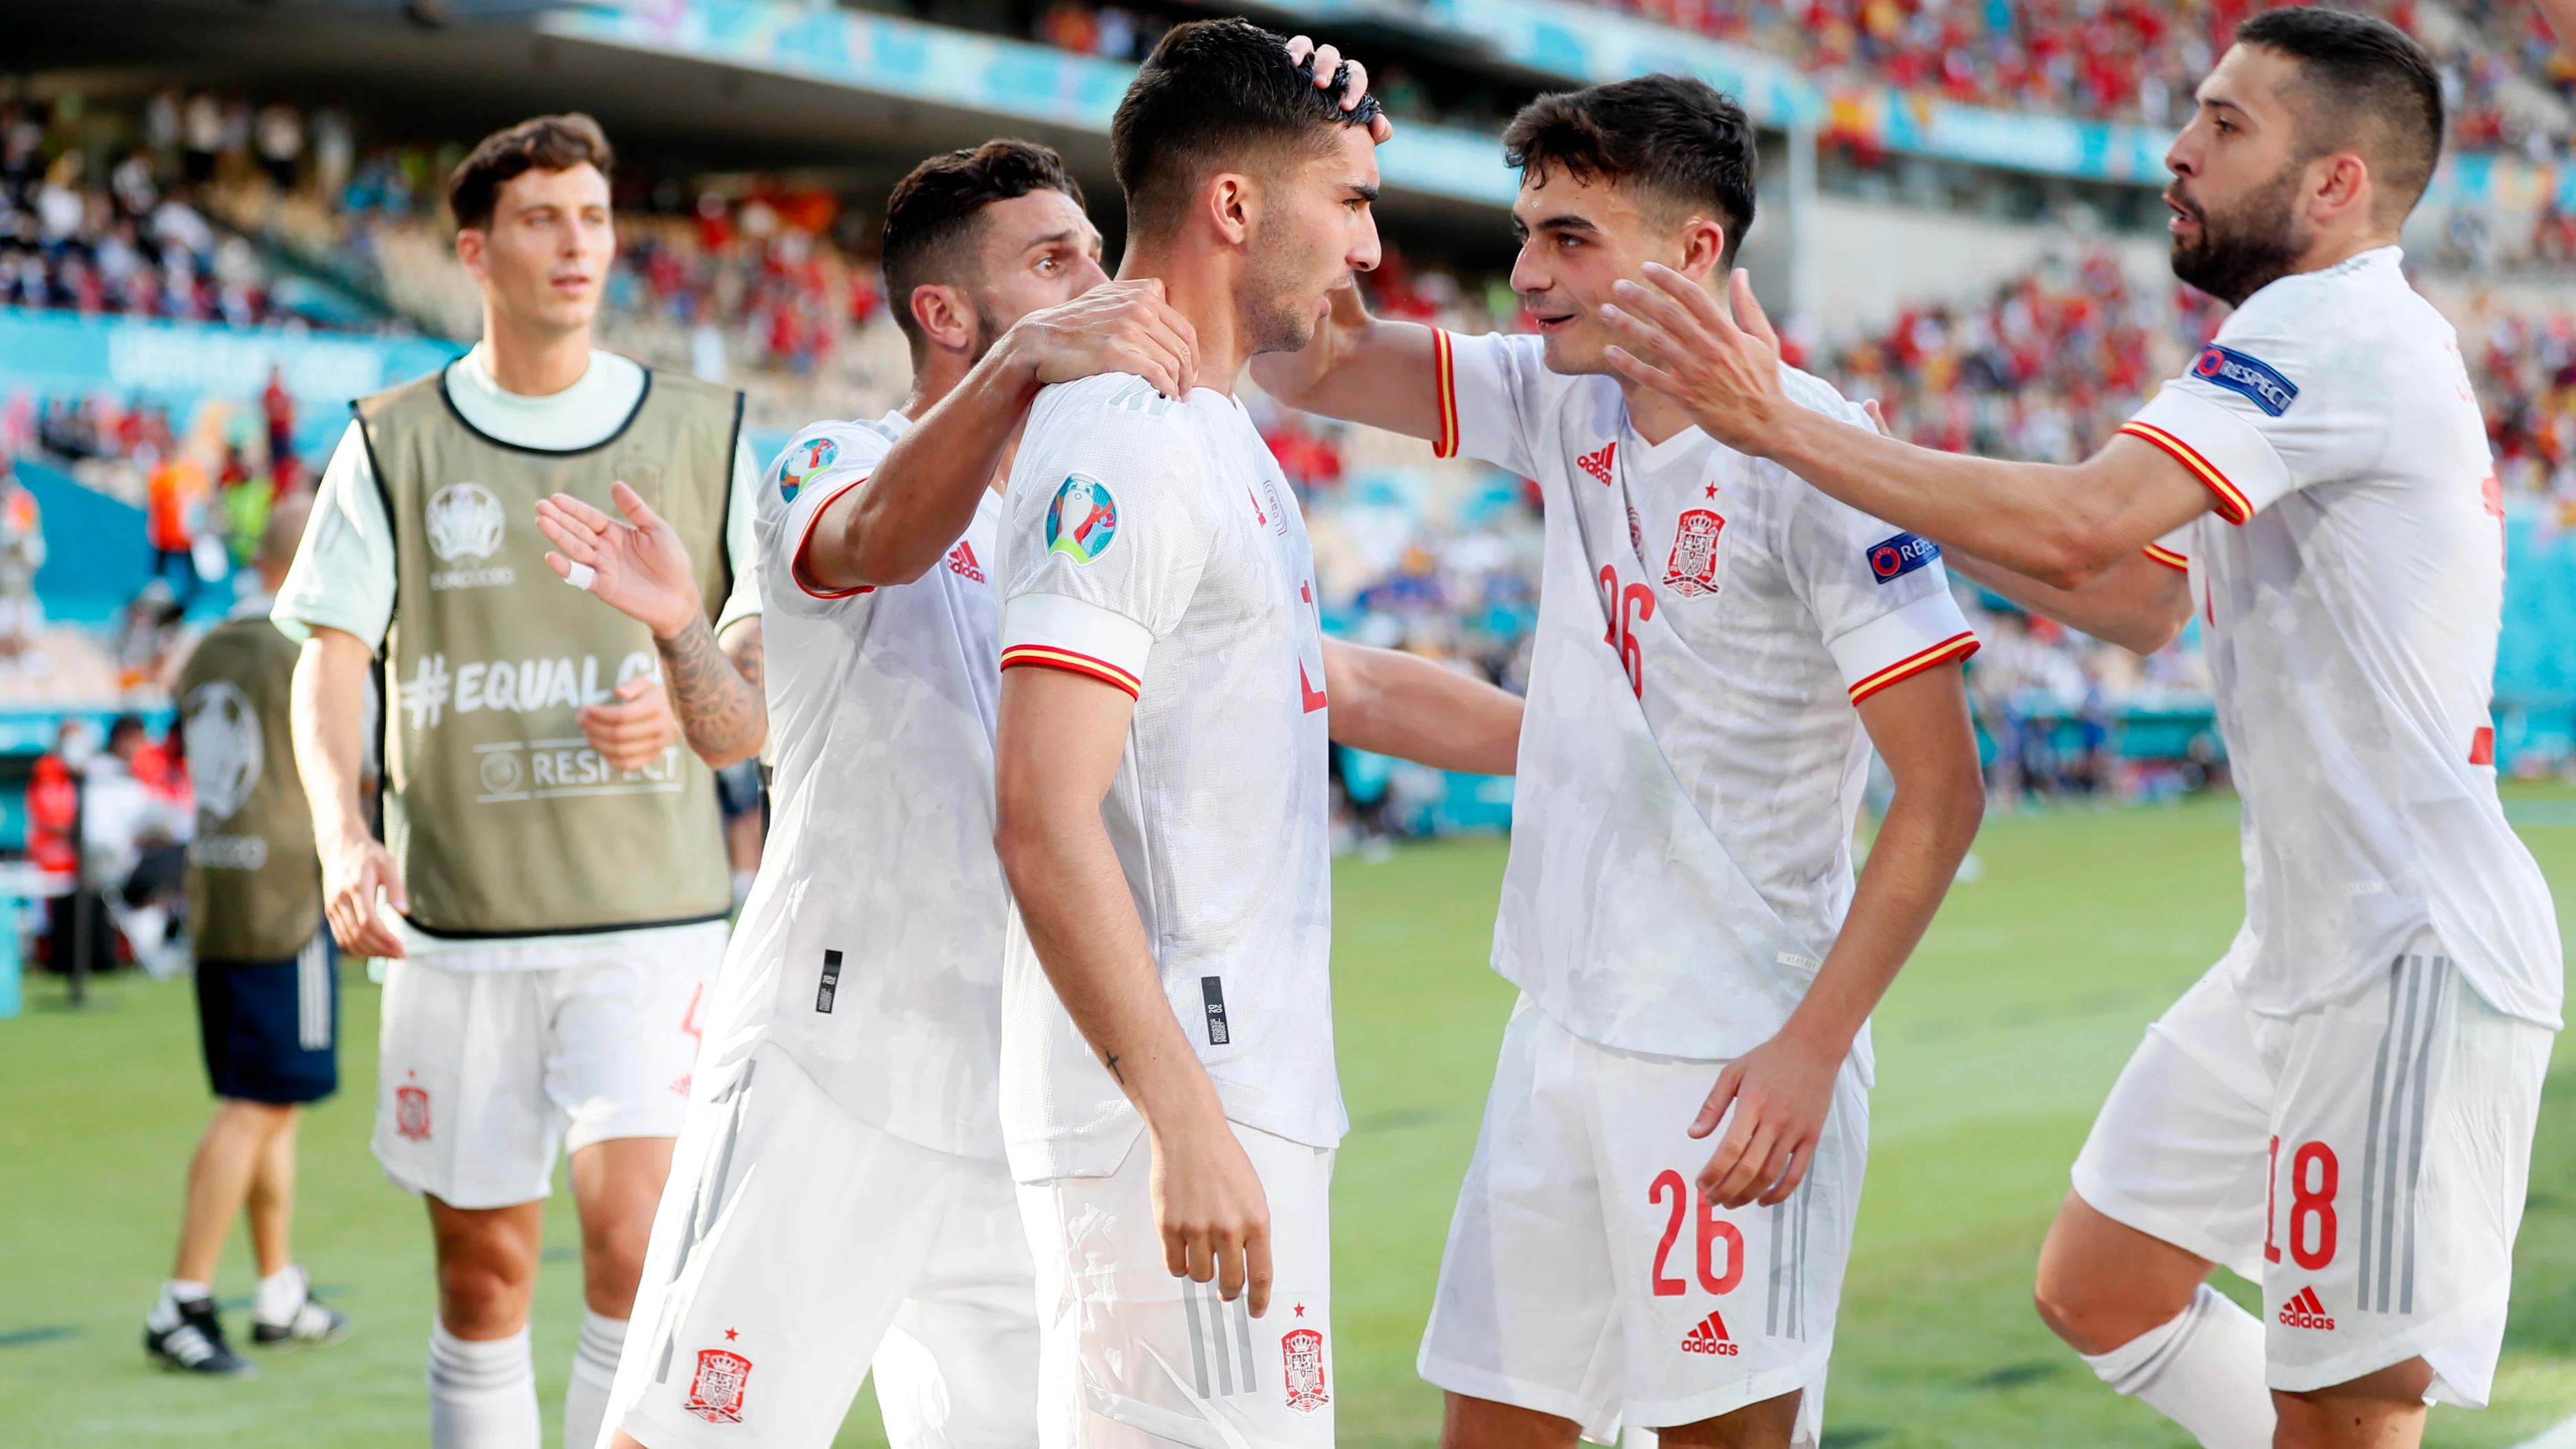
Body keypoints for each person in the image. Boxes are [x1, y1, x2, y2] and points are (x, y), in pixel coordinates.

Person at [1596, 10, 2561, 1448]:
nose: (2177, 146)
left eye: (2227, 124)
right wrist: (1836, 442)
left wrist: (1783, 429)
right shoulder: (2288, 344)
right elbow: (2129, 595)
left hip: (2406, 952)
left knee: (2340, 1412)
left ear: (2336, 184)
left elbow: (2080, 528)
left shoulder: (2335, 324)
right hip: (2305, 945)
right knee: (2101, 1282)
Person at [1253, 70, 1987, 1449]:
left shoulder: (1815, 456)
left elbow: (1943, 797)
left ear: (1693, 251)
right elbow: (1308, 360)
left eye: (1570, 239)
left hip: (1731, 1051)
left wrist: (1811, 1050)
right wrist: (1316, 171)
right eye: (1528, 233)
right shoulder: (1563, 397)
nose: (1527, 275)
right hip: (1562, 1023)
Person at [578, 136, 1200, 1449]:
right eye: (1052, 262)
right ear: (944, 312)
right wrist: (685, 634)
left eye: (1096, 253)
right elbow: (861, 563)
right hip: (829, 1062)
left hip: (1016, 1098)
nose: (1097, 283)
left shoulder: (1088, 510)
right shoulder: (829, 459)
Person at [992, 22, 1523, 1448]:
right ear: (1234, 207)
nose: (1367, 247)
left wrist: (1583, 750)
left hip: (1238, 1082)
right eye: (1349, 201)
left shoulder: (1209, 425)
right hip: (1174, 1096)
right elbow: (1043, 814)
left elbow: (1320, 676)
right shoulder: (1125, 439)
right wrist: (1182, 1118)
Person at [277, 113, 769, 1449]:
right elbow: (329, 658)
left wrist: (682, 704)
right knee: (483, 1276)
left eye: (595, 217)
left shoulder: (702, 428)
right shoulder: (391, 441)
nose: (576, 244)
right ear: (475, 249)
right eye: (544, 217)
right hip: (460, 927)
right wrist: (340, 833)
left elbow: (761, 660)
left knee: (633, 1253)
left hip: (650, 924)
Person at [143, 492, 346, 1376]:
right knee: (259, 1104)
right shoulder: (303, 649)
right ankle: (183, 1299)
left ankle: (275, 1289)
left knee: (269, 1101)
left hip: (219, 889)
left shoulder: (204, 648)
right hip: (286, 899)